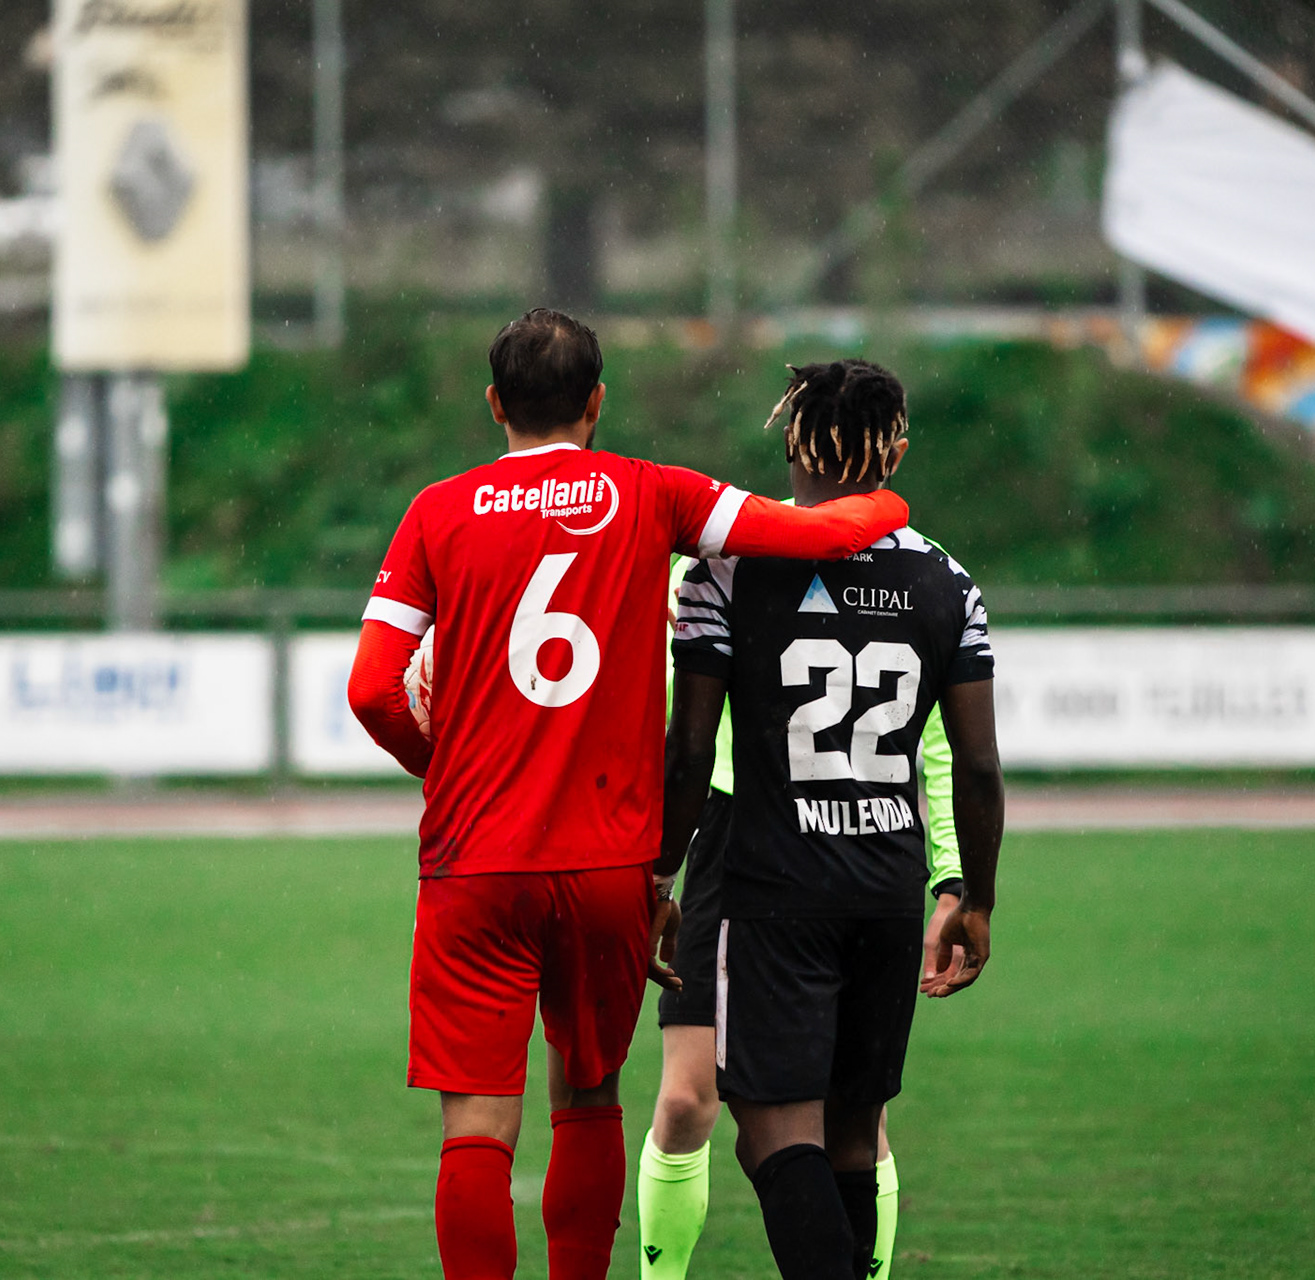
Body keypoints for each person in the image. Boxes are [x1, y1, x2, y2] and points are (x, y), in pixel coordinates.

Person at [346, 311, 913, 1280]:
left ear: (495, 405)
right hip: (607, 862)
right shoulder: (651, 493)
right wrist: (888, 503)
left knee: (478, 1122)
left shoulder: (437, 511)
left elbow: (370, 686)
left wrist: (439, 765)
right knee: (590, 1092)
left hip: (474, 858)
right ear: (597, 402)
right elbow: (811, 531)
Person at [655, 359, 1005, 1280]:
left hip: (775, 890)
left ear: (791, 443)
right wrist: (974, 894)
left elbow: (690, 751)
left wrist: (657, 870)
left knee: (772, 1141)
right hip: (888, 892)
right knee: (855, 1137)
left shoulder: (727, 570)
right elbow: (976, 763)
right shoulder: (947, 581)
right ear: (894, 448)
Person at [639, 569, 969, 1280]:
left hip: (840, 844)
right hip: (729, 833)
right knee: (687, 1098)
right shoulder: (723, 566)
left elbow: (937, 742)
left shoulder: (918, 571)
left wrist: (953, 871)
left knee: (848, 1122)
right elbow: (668, 726)